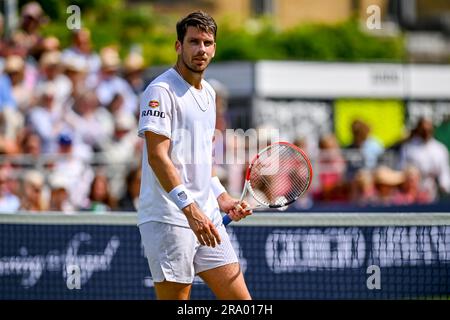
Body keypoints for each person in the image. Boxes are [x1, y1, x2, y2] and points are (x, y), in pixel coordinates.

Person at [137, 11, 252, 300]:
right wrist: (190, 211)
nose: (201, 49)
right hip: (170, 219)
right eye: (193, 42)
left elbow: (203, 157)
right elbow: (157, 157)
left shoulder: (210, 93)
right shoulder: (160, 91)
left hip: (207, 217)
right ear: (179, 46)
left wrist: (222, 197)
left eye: (207, 43)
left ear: (214, 49)